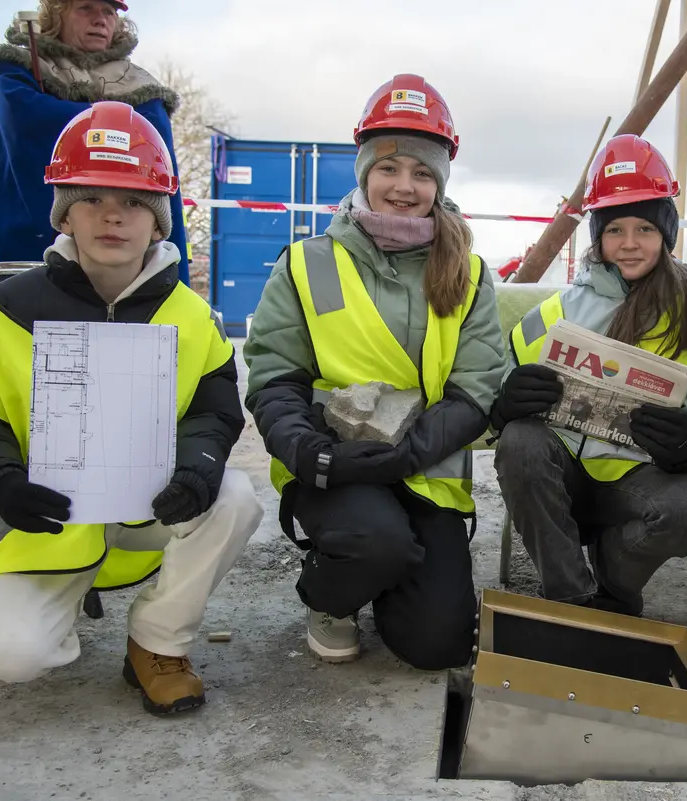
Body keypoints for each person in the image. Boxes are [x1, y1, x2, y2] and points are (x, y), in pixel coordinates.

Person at [0, 101, 264, 715]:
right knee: (13, 658)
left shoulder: (190, 315)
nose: (114, 215)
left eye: (136, 201)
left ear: (159, 220)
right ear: (65, 212)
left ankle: (157, 643)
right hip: (50, 521)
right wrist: (0, 484)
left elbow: (215, 408)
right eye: (91, 198)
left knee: (235, 498)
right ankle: (46, 611)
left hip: (150, 506)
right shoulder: (9, 308)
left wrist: (197, 466)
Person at [243, 74, 507, 670]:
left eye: (422, 173)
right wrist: (311, 453)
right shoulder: (307, 263)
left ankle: (390, 573)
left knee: (438, 646)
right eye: (389, 169)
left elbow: (478, 387)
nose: (404, 187)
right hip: (335, 470)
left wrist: (405, 454)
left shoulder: (467, 271)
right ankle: (332, 596)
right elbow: (273, 377)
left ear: (440, 182)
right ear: (364, 172)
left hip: (423, 471)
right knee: (374, 543)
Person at [492, 134, 687, 617]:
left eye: (644, 228)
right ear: (597, 235)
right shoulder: (556, 312)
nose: (629, 244)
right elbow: (498, 391)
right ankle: (572, 601)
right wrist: (506, 401)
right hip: (561, 485)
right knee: (519, 440)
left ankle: (617, 581)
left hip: (637, 487)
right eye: (615, 229)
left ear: (666, 234)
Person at [0, 0, 190, 284]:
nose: (100, 20)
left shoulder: (138, 84)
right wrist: (117, 126)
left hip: (119, 262)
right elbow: (28, 120)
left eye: (109, 12)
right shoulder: (18, 69)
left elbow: (153, 149)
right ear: (56, 15)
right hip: (28, 246)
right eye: (86, 8)